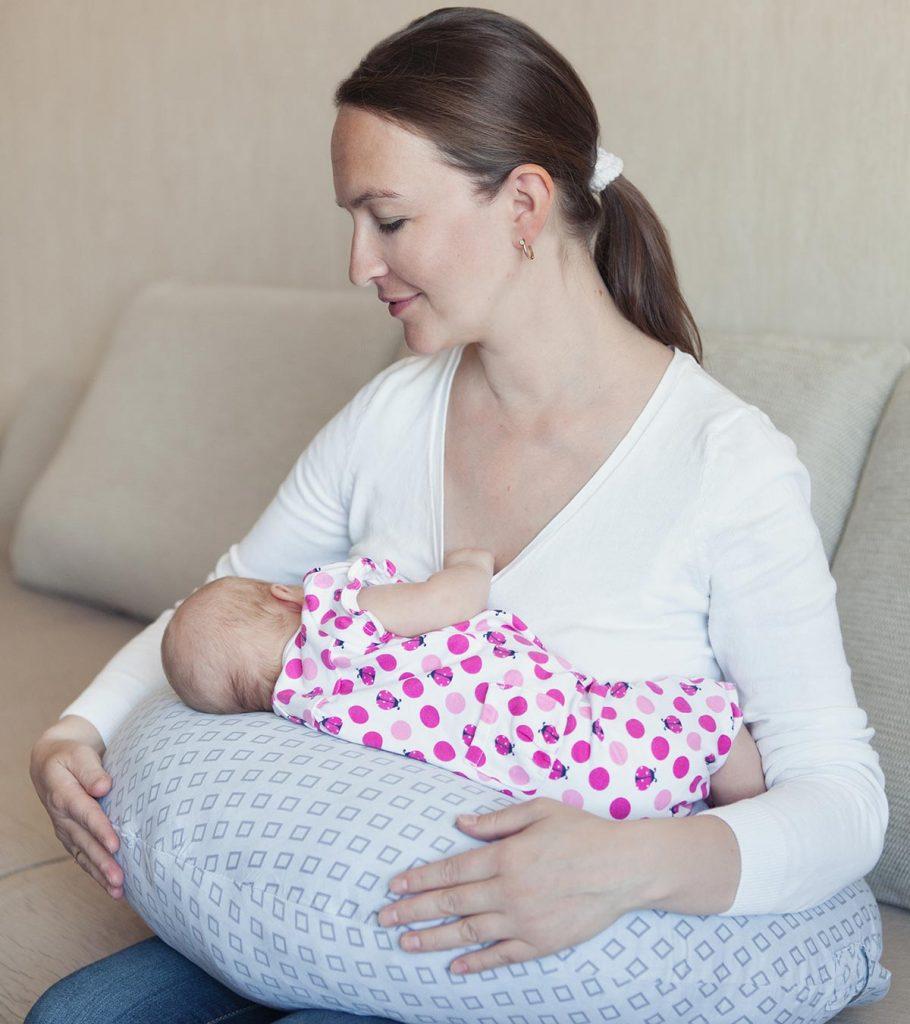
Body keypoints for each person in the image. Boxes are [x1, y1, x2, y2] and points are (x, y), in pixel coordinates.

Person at [25, 7, 887, 1023]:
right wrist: (73, 729)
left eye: (387, 219)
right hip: (334, 887)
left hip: (545, 945)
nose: (358, 262)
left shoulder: (722, 466)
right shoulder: (390, 416)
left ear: (524, 202)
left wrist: (631, 863)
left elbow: (841, 797)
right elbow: (226, 597)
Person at [157, 550, 766, 816]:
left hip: (554, 789)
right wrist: (469, 563)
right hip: (559, 726)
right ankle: (748, 814)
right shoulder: (332, 621)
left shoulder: (309, 710)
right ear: (282, 594)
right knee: (712, 724)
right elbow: (451, 600)